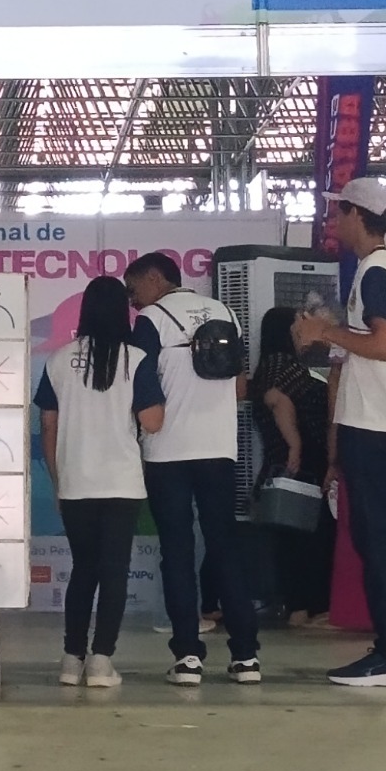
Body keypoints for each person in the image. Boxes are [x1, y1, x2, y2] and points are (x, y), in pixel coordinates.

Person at [292, 178, 386, 688]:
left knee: (382, 541)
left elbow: (384, 345)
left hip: (372, 425)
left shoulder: (376, 271)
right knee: (379, 539)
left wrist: (324, 331)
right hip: (375, 421)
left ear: (356, 215)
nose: (334, 222)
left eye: (339, 212)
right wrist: (334, 339)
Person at [123, 252, 258, 685]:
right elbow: (240, 387)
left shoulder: (151, 320)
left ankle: (187, 657)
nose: (133, 300)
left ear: (154, 278)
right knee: (226, 548)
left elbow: (141, 385)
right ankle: (246, 657)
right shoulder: (226, 314)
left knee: (177, 552)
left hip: (167, 453)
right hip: (219, 450)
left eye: (133, 289)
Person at [38, 277, 163, 687]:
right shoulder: (137, 359)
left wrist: (58, 481)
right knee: (114, 573)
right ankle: (101, 662)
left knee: (83, 571)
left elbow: (48, 425)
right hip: (121, 483)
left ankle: (70, 660)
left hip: (76, 482)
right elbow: (153, 421)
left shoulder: (58, 360)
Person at [248, 305, 334, 626]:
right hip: (302, 460)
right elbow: (277, 399)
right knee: (309, 534)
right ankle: (310, 605)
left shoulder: (271, 365)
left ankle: (300, 605)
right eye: (299, 322)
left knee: (292, 536)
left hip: (283, 461)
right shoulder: (280, 365)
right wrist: (295, 443)